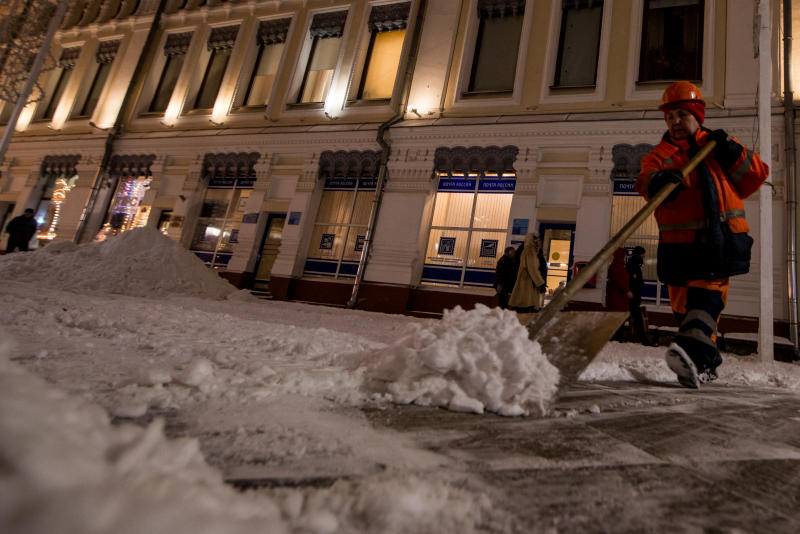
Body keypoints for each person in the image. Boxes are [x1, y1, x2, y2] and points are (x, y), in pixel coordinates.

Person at [635, 81, 769, 388]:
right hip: (678, 248)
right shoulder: (660, 156)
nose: (676, 121)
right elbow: (644, 182)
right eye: (670, 117)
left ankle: (691, 353)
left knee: (705, 302)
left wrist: (732, 151)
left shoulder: (718, 147)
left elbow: (756, 176)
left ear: (698, 115)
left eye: (682, 114)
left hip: (718, 243)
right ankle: (705, 364)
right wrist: (658, 184)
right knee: (684, 311)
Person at [509, 233, 546, 312]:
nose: (540, 242)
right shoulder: (530, 251)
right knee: (526, 306)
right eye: (538, 240)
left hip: (525, 282)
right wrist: (540, 283)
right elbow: (532, 269)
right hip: (528, 283)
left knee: (522, 306)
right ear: (534, 241)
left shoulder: (527, 250)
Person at [626, 246, 654, 346]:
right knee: (636, 316)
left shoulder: (636, 263)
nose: (644, 255)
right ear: (639, 254)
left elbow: (636, 278)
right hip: (633, 295)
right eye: (643, 253)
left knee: (634, 316)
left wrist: (640, 283)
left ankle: (640, 338)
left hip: (635, 294)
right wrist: (639, 283)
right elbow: (633, 278)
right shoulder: (633, 263)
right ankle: (643, 339)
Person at [605, 248, 629, 313]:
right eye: (624, 256)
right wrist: (627, 291)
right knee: (617, 319)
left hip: (615, 298)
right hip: (617, 299)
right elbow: (621, 281)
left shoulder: (615, 265)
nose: (625, 257)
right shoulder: (618, 267)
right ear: (620, 255)